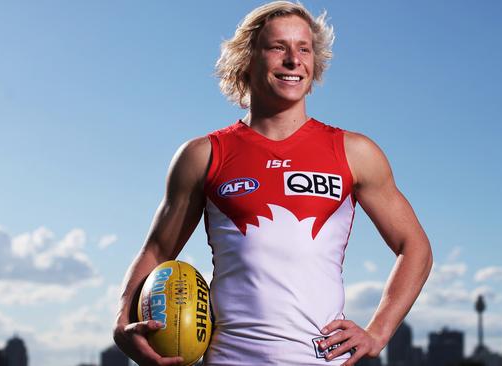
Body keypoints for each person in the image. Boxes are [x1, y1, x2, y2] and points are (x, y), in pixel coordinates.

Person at [112, 2, 433, 365]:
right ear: (247, 59)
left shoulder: (355, 152)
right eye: (278, 47)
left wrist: (378, 331)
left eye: (304, 48)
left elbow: (415, 246)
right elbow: (157, 249)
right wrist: (123, 322)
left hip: (320, 359)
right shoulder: (203, 154)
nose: (294, 60)